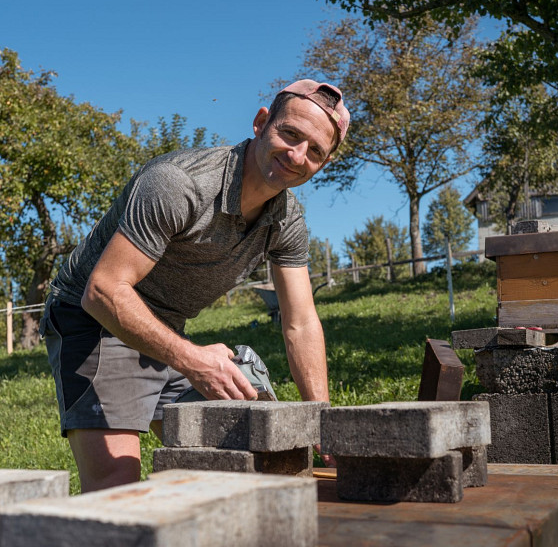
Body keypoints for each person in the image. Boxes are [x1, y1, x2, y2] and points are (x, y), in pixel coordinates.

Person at [40, 80, 349, 492]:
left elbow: (301, 322)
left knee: (245, 456)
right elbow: (103, 291)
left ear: (323, 163)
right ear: (261, 123)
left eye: (315, 151)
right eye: (290, 134)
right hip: (95, 320)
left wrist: (321, 420)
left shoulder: (286, 221)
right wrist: (195, 361)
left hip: (164, 328)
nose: (297, 155)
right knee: (118, 484)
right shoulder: (178, 184)